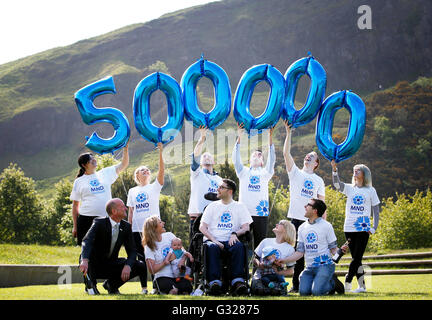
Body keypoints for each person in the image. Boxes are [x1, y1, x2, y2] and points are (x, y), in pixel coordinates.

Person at [283, 121, 325, 293]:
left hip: (312, 221)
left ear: (316, 163)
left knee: (312, 253)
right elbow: (286, 153)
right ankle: (297, 286)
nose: (309, 156)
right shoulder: (295, 173)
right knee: (298, 254)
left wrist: (323, 223)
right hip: (295, 219)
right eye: (308, 155)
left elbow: (322, 205)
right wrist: (288, 132)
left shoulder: (319, 180)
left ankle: (315, 283)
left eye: (312, 156)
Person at [79, 198, 147, 295]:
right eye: (122, 206)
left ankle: (112, 285)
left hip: (111, 263)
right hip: (93, 264)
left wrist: (128, 265)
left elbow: (132, 251)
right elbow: (87, 241)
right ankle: (90, 285)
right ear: (114, 211)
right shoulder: (98, 223)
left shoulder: (126, 226)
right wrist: (84, 260)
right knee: (93, 293)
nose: (126, 209)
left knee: (139, 264)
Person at [331, 160, 380, 293]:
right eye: (354, 170)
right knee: (356, 259)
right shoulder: (349, 188)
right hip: (349, 227)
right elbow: (336, 184)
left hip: (363, 228)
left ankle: (348, 279)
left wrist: (374, 227)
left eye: (358, 170)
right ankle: (362, 287)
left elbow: (376, 210)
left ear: (365, 174)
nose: (355, 171)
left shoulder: (371, 190)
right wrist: (335, 170)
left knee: (357, 257)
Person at [281, 199, 348, 296]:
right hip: (310, 267)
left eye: (308, 205)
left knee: (317, 292)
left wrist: (340, 251)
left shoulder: (327, 226)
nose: (305, 206)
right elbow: (299, 252)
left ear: (315, 210)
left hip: (325, 266)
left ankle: (333, 283)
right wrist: (284, 260)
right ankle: (321, 281)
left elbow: (333, 249)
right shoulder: (302, 228)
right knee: (303, 292)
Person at [199, 179, 253, 296]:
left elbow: (246, 227)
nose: (218, 189)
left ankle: (237, 282)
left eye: (221, 187)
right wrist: (214, 240)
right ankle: (214, 283)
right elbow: (202, 227)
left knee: (238, 246)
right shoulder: (212, 206)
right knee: (212, 247)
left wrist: (235, 234)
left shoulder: (240, 206)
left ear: (230, 191)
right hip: (213, 240)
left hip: (231, 240)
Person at [70, 143, 129, 246]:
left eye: (94, 158)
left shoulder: (105, 173)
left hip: (105, 218)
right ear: (84, 165)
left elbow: (123, 164)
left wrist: (125, 149)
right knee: (86, 249)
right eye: (90, 160)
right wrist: (75, 226)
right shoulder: (79, 181)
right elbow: (75, 205)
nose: (94, 160)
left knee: (104, 248)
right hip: (86, 219)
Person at [126, 142, 164, 294]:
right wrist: (128, 228)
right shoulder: (132, 191)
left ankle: (157, 286)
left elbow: (161, 171)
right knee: (141, 260)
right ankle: (144, 288)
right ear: (137, 176)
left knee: (155, 257)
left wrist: (161, 152)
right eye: (142, 170)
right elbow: (131, 211)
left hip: (153, 229)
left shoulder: (154, 187)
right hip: (136, 230)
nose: (146, 171)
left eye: (147, 169)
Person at [232, 123, 275, 250]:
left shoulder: (266, 173)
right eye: (254, 154)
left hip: (260, 213)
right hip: (244, 212)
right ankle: (240, 269)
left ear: (262, 161)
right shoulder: (243, 171)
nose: (257, 155)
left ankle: (258, 269)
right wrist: (239, 137)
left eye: (260, 155)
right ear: (249, 159)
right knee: (240, 244)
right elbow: (235, 159)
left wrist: (270, 138)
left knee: (260, 244)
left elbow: (272, 160)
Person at [187, 126, 223, 241]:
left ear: (213, 161)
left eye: (209, 156)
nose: (206, 156)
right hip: (197, 217)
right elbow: (196, 155)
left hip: (215, 220)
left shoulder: (220, 180)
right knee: (196, 249)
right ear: (200, 162)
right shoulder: (197, 174)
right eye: (204, 156)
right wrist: (202, 138)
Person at [143, 215, 193, 295]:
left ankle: (177, 290)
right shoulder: (149, 246)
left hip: (178, 275)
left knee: (187, 287)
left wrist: (182, 261)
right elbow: (152, 270)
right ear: (154, 228)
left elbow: (182, 250)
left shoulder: (170, 236)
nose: (163, 223)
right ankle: (166, 289)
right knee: (173, 290)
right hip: (163, 276)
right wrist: (166, 262)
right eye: (160, 222)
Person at [252, 220, 296, 294]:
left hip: (276, 278)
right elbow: (255, 258)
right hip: (261, 277)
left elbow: (291, 271)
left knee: (276, 290)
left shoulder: (290, 248)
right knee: (259, 290)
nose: (276, 224)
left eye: (280, 223)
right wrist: (259, 264)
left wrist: (278, 272)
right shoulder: (265, 241)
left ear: (286, 229)